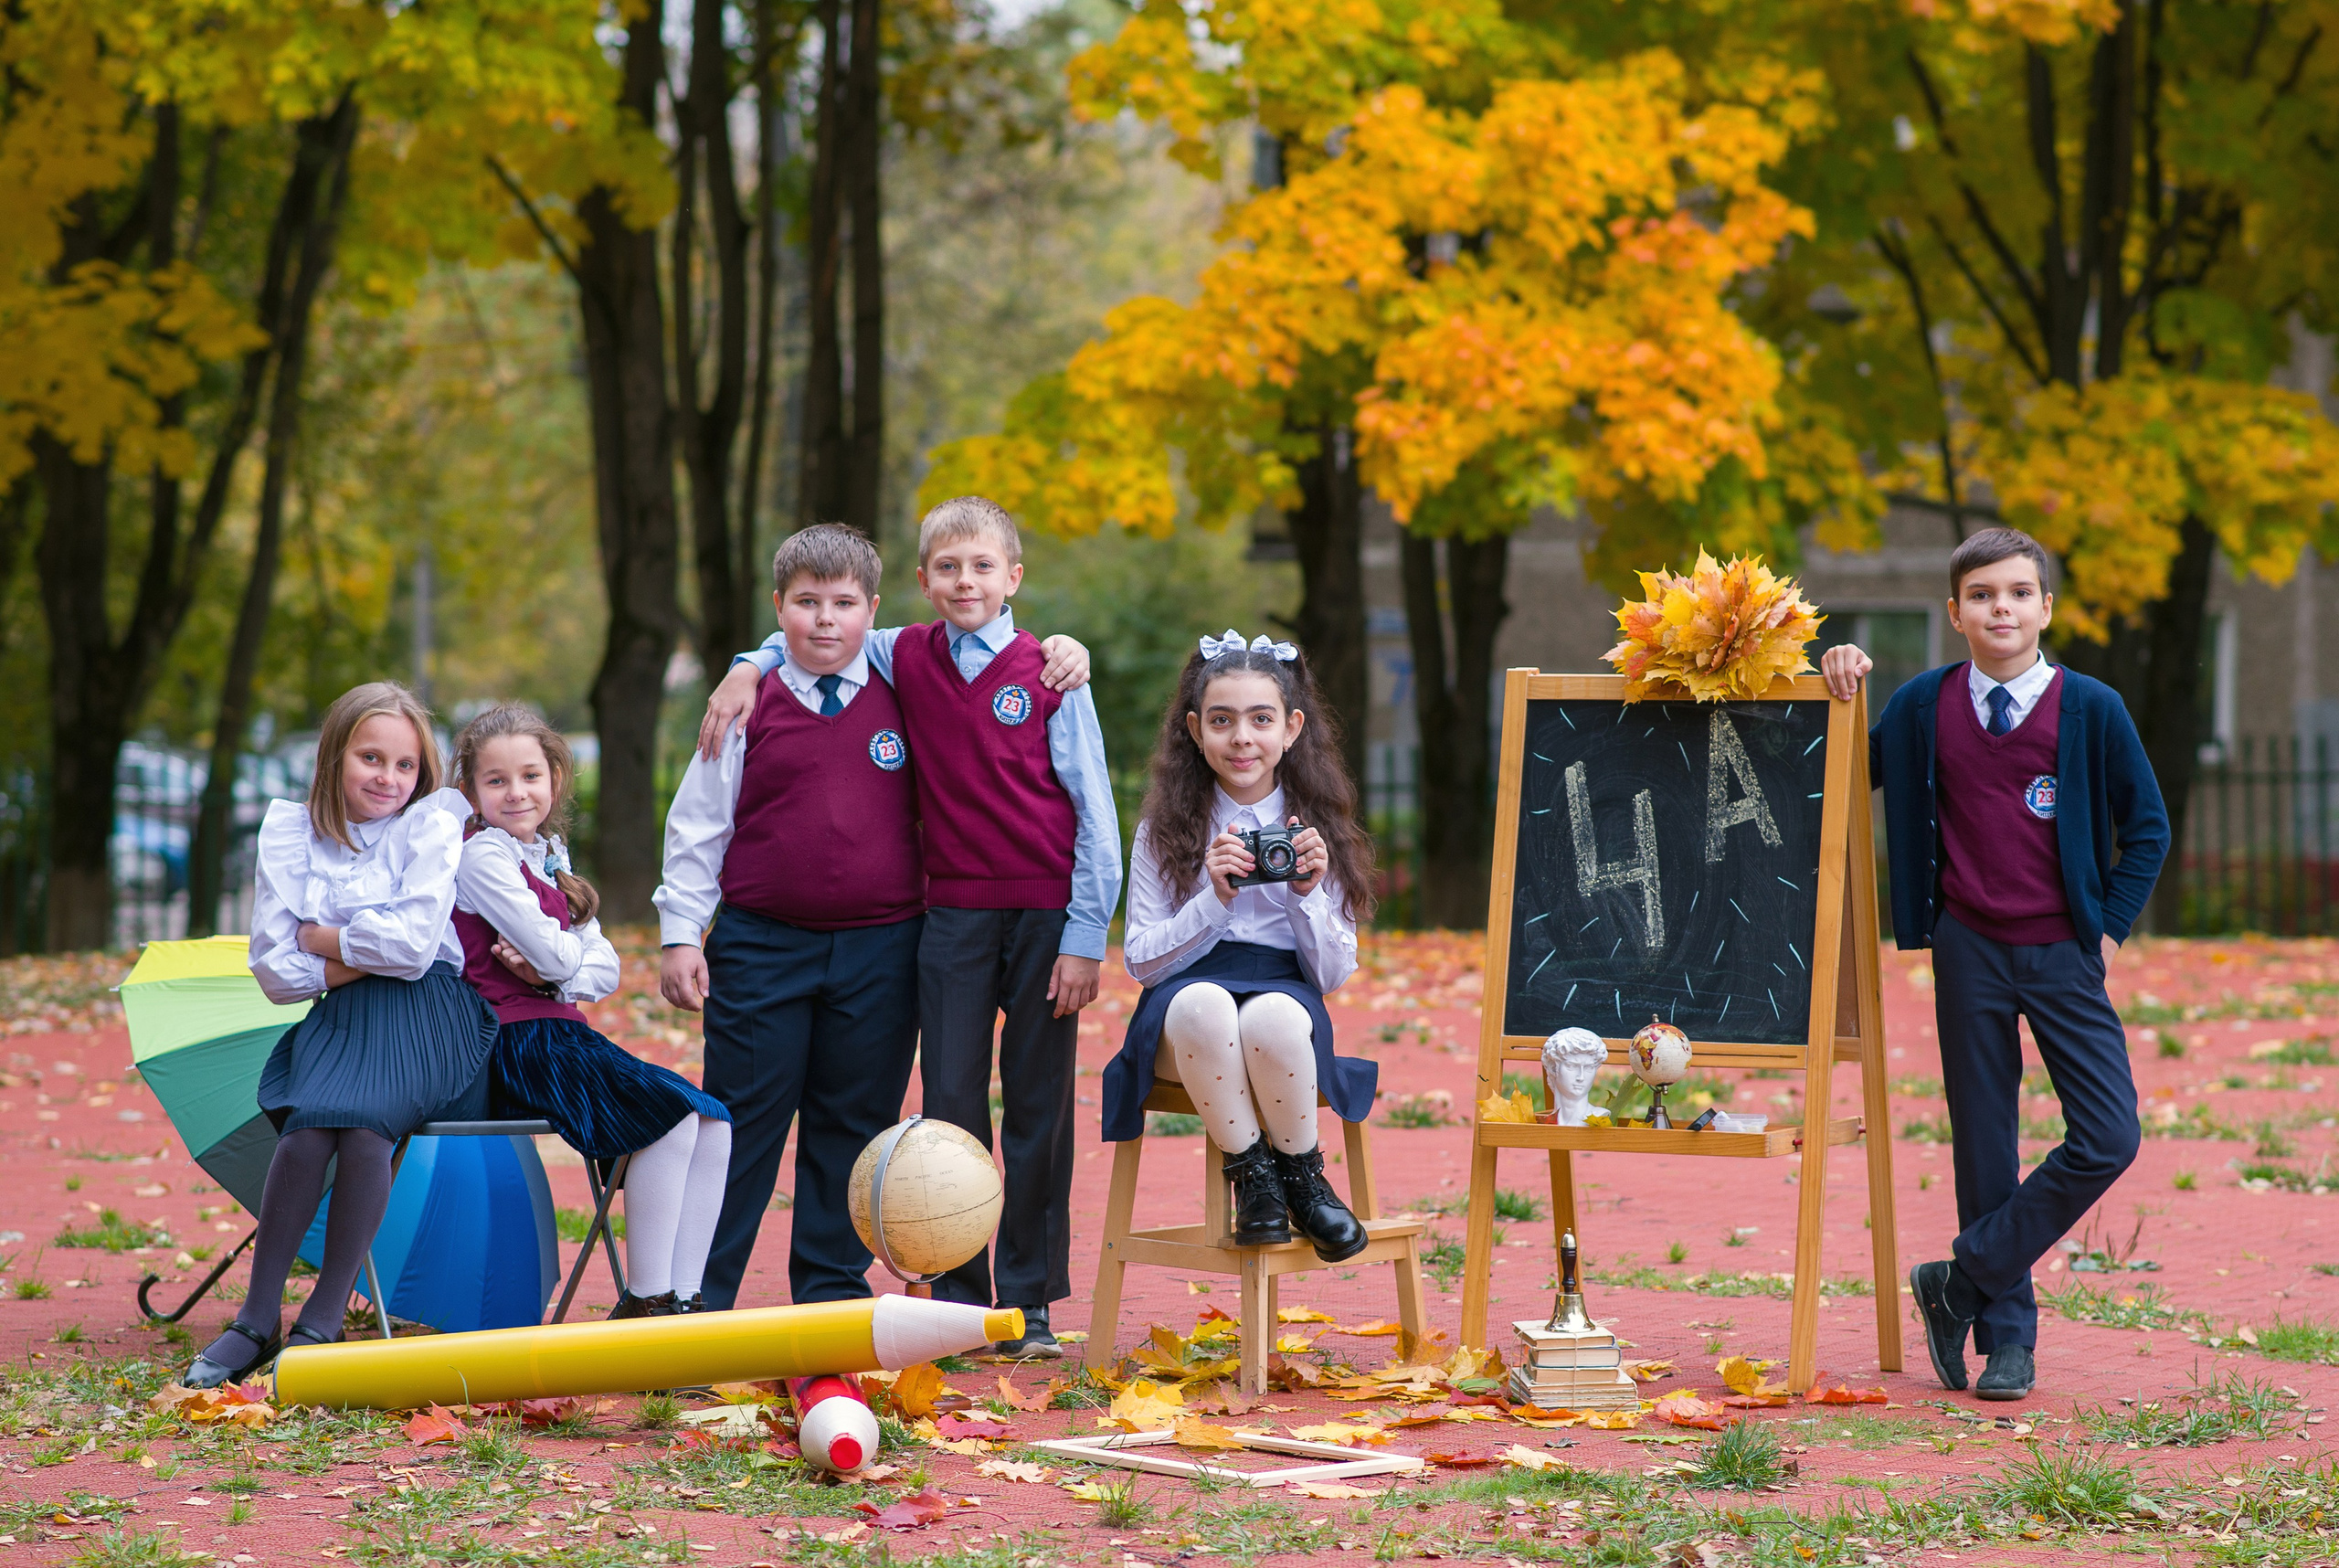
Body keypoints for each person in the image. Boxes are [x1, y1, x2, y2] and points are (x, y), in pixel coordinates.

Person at [700, 499, 1118, 1357]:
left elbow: (1096, 813)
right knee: (951, 1107)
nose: (966, 582)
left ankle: (1030, 1299)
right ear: (923, 581)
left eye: (983, 566)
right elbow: (823, 631)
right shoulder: (904, 653)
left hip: (1044, 917)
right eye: (948, 568)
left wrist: (1085, 936)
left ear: (1013, 577)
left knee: (1036, 1106)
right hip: (952, 915)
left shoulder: (1051, 674)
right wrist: (748, 665)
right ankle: (961, 1302)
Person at [1820, 525, 2168, 1402]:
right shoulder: (1922, 706)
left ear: (2046, 607)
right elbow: (1835, 777)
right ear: (1955, 613)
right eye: (1981, 596)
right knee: (1984, 1145)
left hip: (2063, 951)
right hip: (1968, 948)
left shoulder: (2092, 708)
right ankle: (2005, 1341)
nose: (2000, 609)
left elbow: (2148, 830)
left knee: (2109, 1136)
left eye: (2017, 593)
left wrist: (2106, 933)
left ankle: (1963, 1276)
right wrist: (1836, 682)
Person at [185, 683, 495, 1389]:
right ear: (334, 757)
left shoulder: (431, 826)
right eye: (371, 758)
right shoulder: (292, 834)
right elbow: (273, 971)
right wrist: (363, 952)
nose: (389, 778)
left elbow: (414, 952)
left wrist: (323, 939)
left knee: (361, 1130)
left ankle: (322, 1321)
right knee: (305, 1132)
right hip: (344, 1014)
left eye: (406, 765)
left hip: (431, 1012)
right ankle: (256, 1320)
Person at [452, 704, 733, 1319]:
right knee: (668, 1119)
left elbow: (602, 969)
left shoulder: (549, 857)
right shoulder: (483, 858)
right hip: (512, 1042)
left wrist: (553, 972)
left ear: (554, 780)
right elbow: (558, 956)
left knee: (713, 1121)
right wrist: (556, 966)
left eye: (530, 776)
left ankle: (686, 1300)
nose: (516, 792)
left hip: (562, 1033)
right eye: (496, 780)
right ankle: (647, 1301)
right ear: (471, 791)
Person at [1103, 630, 1377, 1259]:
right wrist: (1213, 898)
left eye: (1261, 719)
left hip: (1285, 994)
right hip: (1184, 1007)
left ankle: (1302, 1180)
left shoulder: (1318, 830)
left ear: (1292, 728)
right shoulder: (1165, 829)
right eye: (1222, 721)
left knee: (1275, 1014)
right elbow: (1141, 961)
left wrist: (1306, 893)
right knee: (1204, 1005)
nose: (1242, 738)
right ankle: (1254, 1178)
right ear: (1196, 731)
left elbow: (1333, 976)